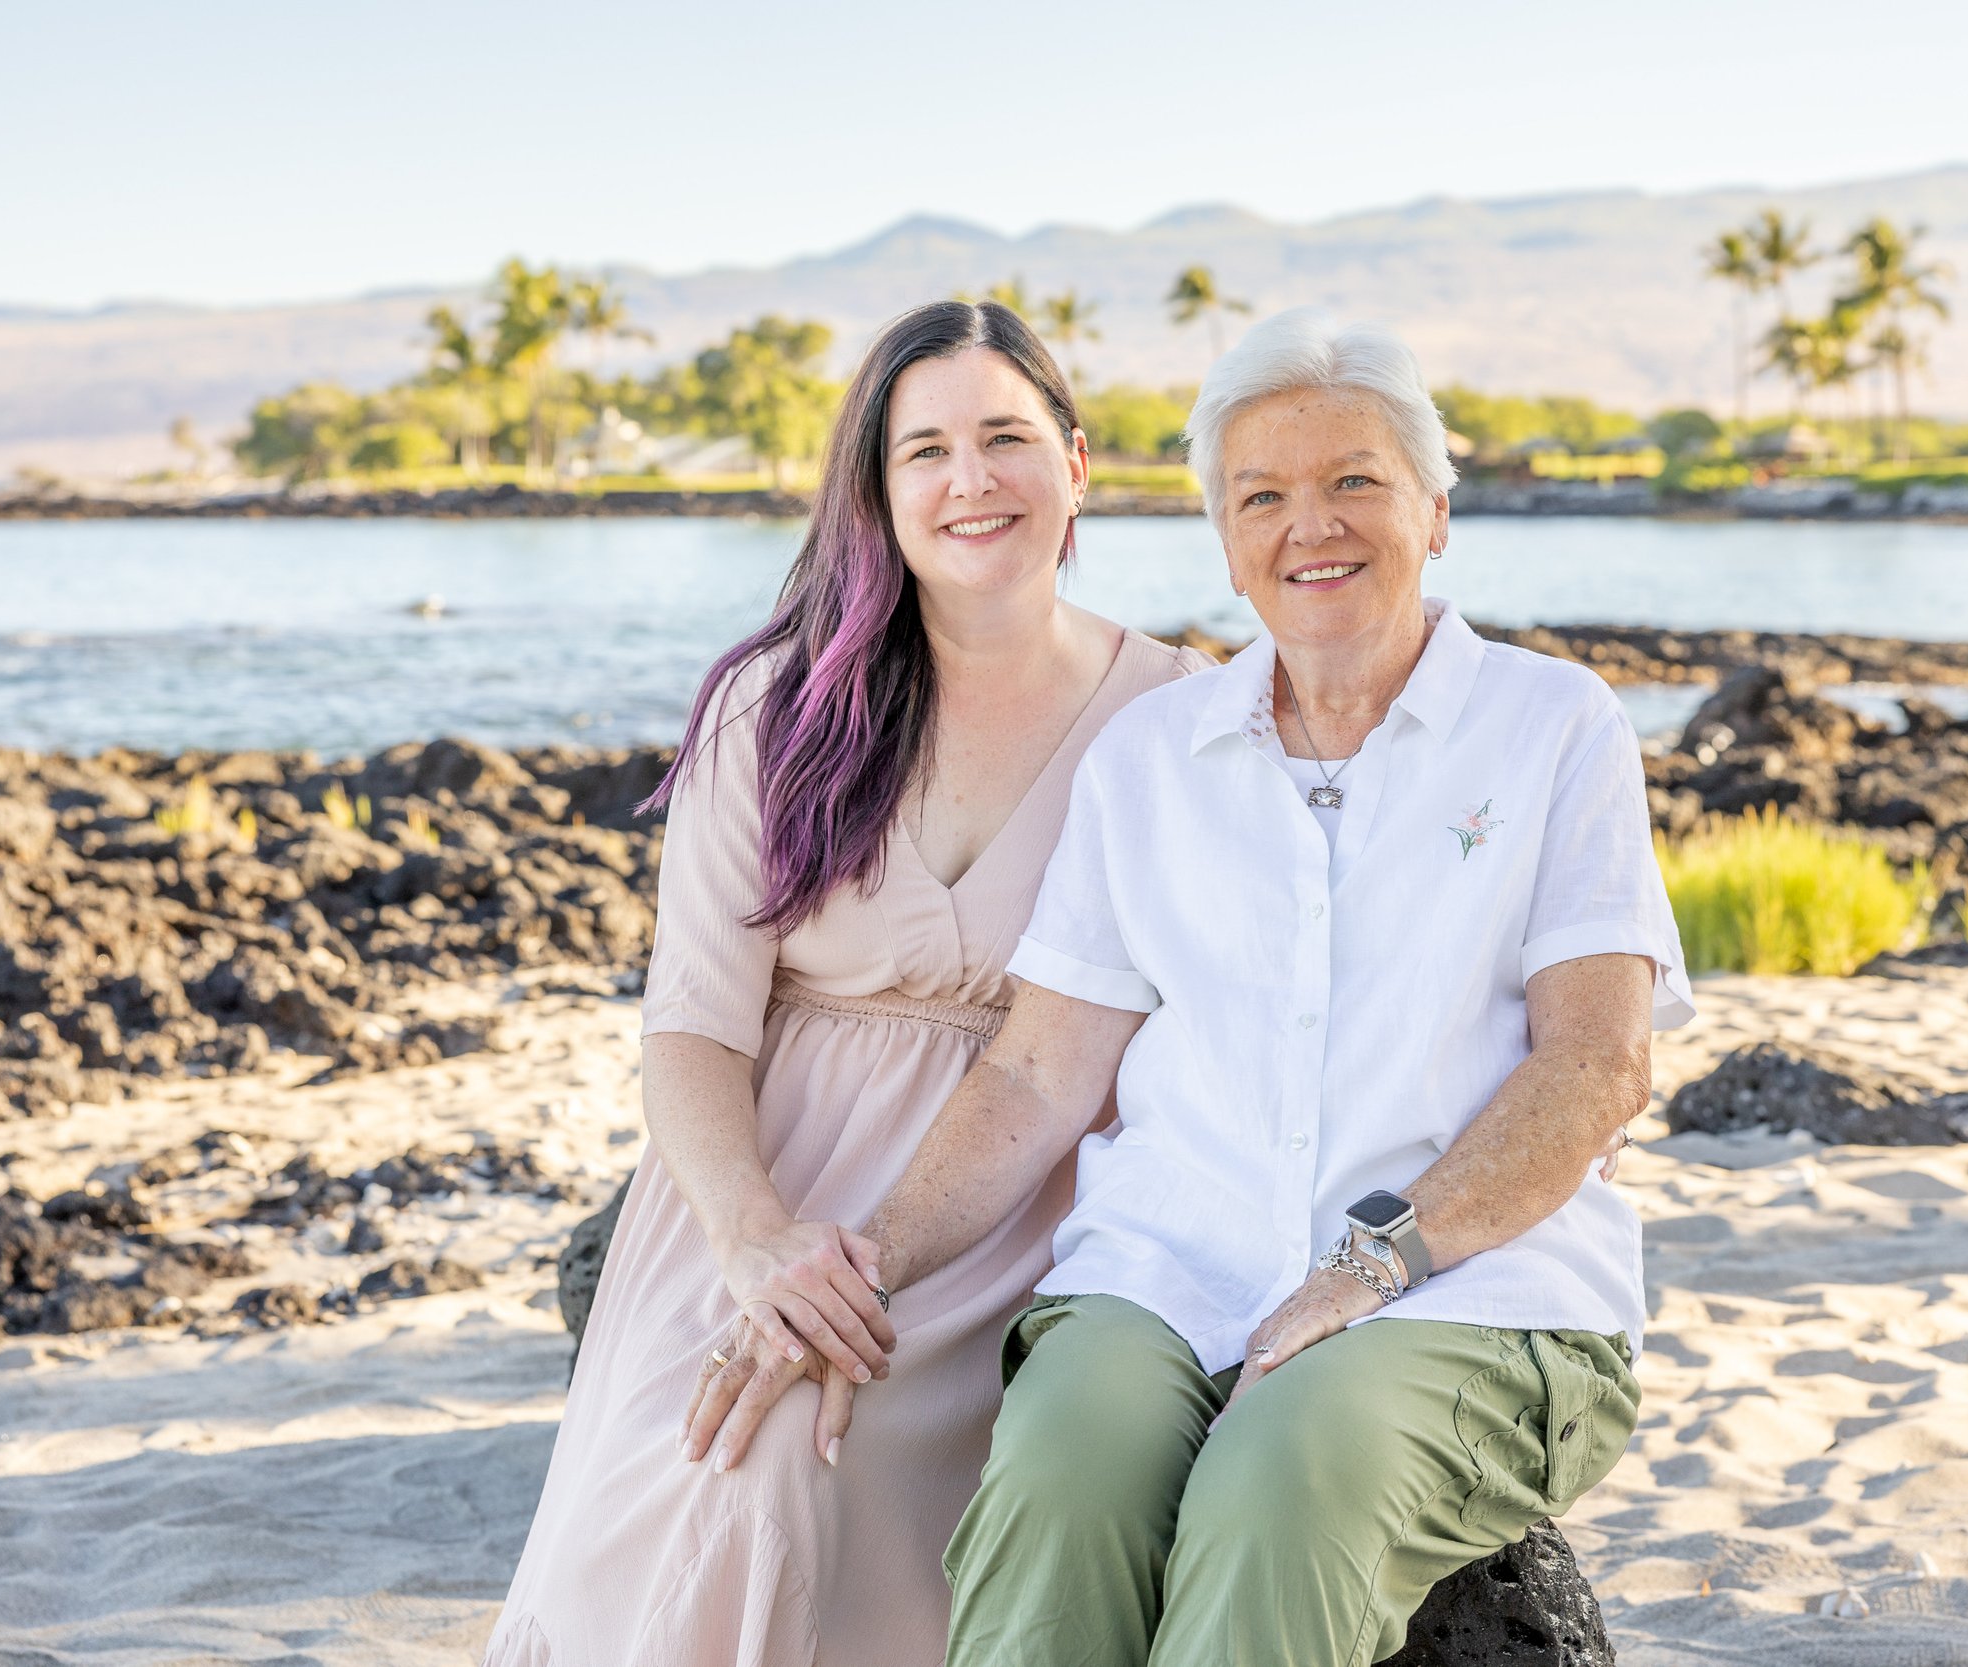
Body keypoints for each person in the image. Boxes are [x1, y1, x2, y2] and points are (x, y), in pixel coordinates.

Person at [690, 308, 1694, 1667]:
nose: (1310, 526)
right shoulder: (1153, 758)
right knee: (1056, 1474)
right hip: (1169, 1277)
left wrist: (1373, 1263)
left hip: (1469, 1292)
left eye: (1355, 481)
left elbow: (1594, 1070)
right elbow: (1038, 1074)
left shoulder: (1554, 725)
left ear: (1438, 508)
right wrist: (857, 1274)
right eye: (1261, 495)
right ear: (1222, 536)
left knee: (1280, 1475)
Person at [484, 300, 1211, 1667]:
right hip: (771, 1190)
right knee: (716, 1469)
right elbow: (692, 1025)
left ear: (1078, 466)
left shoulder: (1177, 715)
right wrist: (758, 1240)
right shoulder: (780, 709)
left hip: (1020, 1200)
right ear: (878, 494)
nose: (970, 480)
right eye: (923, 450)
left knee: (819, 1468)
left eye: (1005, 438)